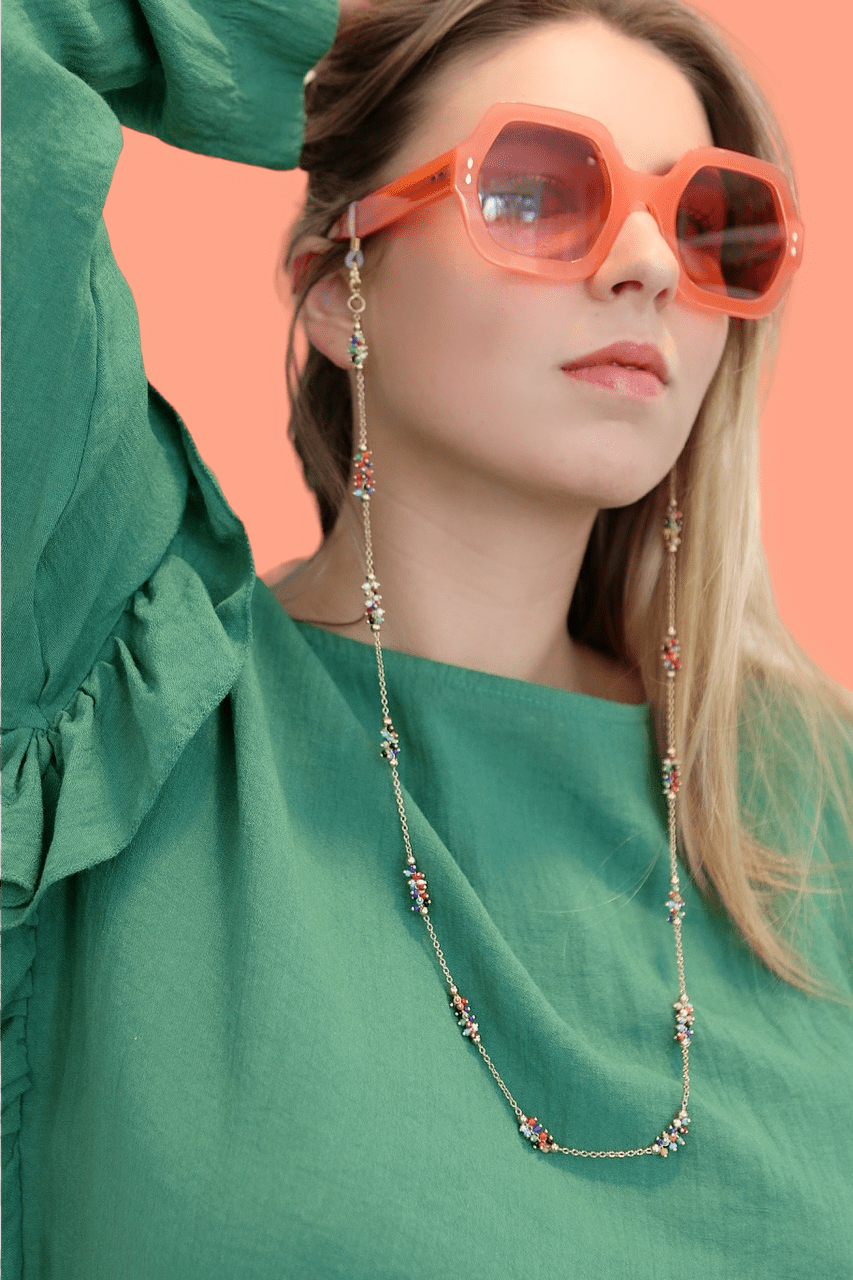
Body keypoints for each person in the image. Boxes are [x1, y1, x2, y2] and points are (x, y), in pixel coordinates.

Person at [2, 0, 851, 1276]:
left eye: (702, 221)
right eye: (535, 192)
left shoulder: (810, 800)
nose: (649, 265)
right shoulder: (109, 702)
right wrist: (344, 28)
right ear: (335, 291)